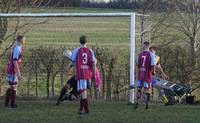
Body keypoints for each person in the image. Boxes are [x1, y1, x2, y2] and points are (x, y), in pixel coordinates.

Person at [70, 35, 96, 115]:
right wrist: (94, 74)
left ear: (79, 41)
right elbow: (93, 63)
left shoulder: (77, 50)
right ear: (86, 42)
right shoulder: (90, 50)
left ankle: (87, 111)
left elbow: (72, 60)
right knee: (82, 92)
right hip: (88, 73)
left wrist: (70, 67)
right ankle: (81, 110)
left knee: (83, 92)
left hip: (81, 73)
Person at [5, 35, 25, 108]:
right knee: (12, 86)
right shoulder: (17, 48)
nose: (25, 41)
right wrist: (18, 73)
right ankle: (10, 104)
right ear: (21, 40)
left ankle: (10, 104)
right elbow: (14, 61)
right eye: (24, 40)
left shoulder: (18, 47)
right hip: (13, 70)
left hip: (14, 70)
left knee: (14, 86)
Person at [135, 41, 155, 109]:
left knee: (139, 89)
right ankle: (147, 105)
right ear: (149, 46)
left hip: (140, 73)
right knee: (147, 89)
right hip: (147, 74)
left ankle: (137, 103)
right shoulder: (151, 54)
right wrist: (153, 72)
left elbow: (137, 63)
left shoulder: (140, 54)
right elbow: (153, 65)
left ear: (144, 46)